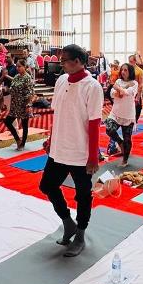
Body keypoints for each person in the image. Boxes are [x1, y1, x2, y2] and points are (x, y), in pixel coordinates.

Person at [39, 44, 103, 257]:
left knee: (83, 195)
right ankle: (68, 222)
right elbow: (58, 114)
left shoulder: (92, 86)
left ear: (77, 61)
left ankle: (81, 234)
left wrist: (93, 157)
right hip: (59, 148)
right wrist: (51, 139)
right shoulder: (61, 81)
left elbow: (94, 124)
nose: (60, 63)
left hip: (80, 152)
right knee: (47, 185)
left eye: (64, 60)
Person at [105, 63, 139, 166]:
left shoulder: (134, 83)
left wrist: (117, 88)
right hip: (115, 113)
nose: (123, 72)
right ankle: (120, 142)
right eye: (122, 70)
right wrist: (117, 90)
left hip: (128, 115)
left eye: (126, 70)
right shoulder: (119, 81)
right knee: (109, 130)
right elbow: (111, 93)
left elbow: (127, 93)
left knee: (127, 138)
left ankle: (125, 161)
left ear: (130, 72)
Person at [4, 59, 34, 150]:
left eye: (19, 66)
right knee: (7, 122)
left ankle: (22, 144)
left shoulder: (27, 77)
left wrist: (28, 105)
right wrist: (7, 90)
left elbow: (30, 92)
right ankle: (17, 139)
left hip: (23, 104)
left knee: (24, 125)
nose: (17, 68)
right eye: (17, 66)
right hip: (14, 104)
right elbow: (12, 87)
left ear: (25, 67)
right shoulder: (16, 76)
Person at [129, 54, 143, 121]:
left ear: (135, 61)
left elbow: (141, 84)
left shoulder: (139, 71)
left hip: (136, 92)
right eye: (129, 61)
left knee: (138, 108)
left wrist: (138, 96)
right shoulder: (128, 69)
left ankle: (135, 121)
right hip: (129, 91)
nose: (130, 63)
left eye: (131, 61)